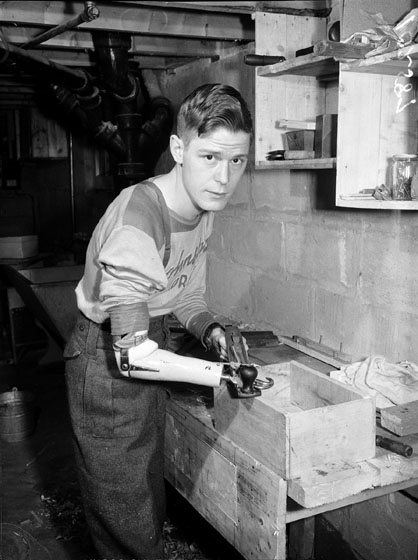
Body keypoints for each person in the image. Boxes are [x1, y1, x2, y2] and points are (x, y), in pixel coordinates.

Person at [64, 83, 253, 560]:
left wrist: (210, 328)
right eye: (210, 157)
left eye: (237, 161)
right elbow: (131, 356)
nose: (224, 177)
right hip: (108, 354)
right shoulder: (140, 216)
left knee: (145, 484)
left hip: (156, 335)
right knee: (124, 510)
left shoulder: (202, 205)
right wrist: (222, 373)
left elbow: (183, 292)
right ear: (177, 149)